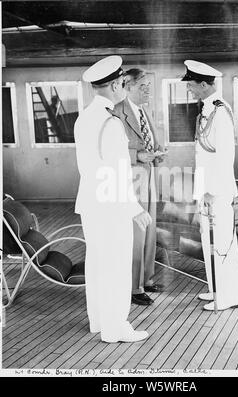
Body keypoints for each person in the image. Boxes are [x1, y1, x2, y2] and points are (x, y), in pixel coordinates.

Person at [74, 56, 151, 342]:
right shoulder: (110, 122)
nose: (124, 87)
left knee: (97, 265)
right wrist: (134, 208)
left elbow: (92, 168)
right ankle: (115, 328)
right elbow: (116, 172)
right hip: (111, 206)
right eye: (123, 83)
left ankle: (98, 320)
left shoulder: (84, 118)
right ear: (117, 84)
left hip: (91, 204)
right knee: (117, 267)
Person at [181, 60, 238, 311]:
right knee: (209, 242)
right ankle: (216, 288)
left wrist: (211, 190)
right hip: (207, 190)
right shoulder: (207, 108)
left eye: (192, 86)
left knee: (222, 243)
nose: (190, 90)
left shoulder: (220, 110)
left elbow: (224, 156)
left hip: (216, 191)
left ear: (205, 84)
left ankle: (228, 296)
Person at [114, 68, 166, 306]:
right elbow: (110, 150)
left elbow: (150, 141)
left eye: (149, 86)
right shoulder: (117, 113)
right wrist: (137, 156)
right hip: (131, 181)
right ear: (128, 86)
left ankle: (146, 279)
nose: (148, 90)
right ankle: (134, 288)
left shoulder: (144, 111)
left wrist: (156, 154)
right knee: (136, 233)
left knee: (150, 230)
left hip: (149, 177)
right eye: (143, 86)